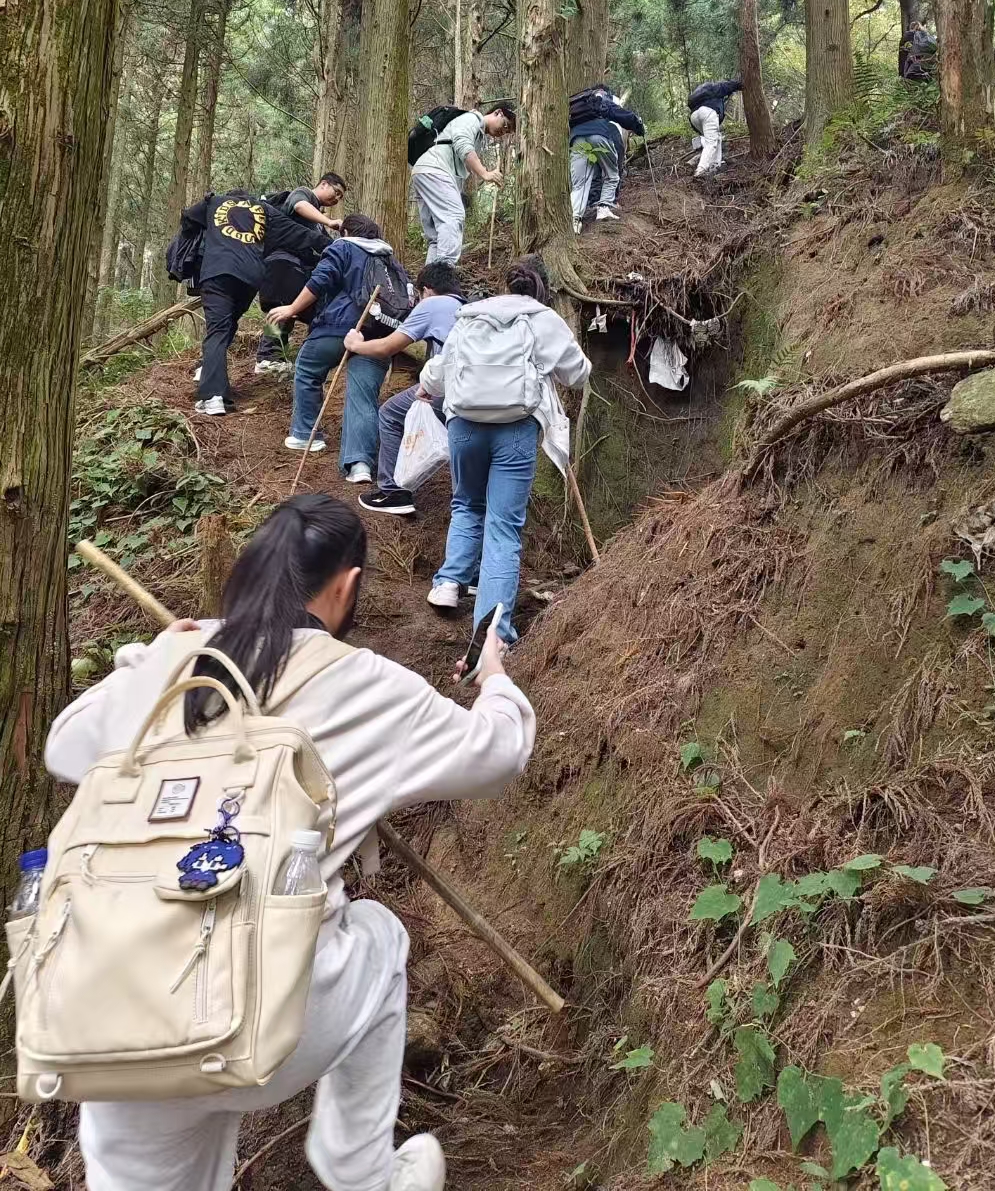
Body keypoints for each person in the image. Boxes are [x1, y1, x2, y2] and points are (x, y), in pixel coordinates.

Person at [45, 492, 535, 1191]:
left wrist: (150, 658)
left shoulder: (176, 661)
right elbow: (499, 755)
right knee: (378, 934)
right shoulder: (364, 684)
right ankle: (362, 1172)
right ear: (348, 584)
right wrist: (494, 681)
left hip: (115, 1016)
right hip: (269, 1020)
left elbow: (65, 748)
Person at [420, 255, 591, 646]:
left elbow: (437, 373)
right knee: (503, 525)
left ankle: (449, 582)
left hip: (463, 425)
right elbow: (578, 374)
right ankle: (494, 629)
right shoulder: (541, 318)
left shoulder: (470, 316)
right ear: (542, 287)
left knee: (466, 503)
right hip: (514, 428)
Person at [268, 214, 405, 484]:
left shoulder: (344, 246)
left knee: (308, 368)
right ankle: (360, 465)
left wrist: (292, 309)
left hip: (340, 327)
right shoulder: (391, 260)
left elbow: (321, 280)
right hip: (379, 334)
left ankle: (306, 435)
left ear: (346, 232)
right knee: (363, 395)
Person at [188, 190, 331, 416]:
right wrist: (335, 245)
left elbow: (188, 218)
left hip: (218, 272)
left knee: (219, 329)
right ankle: (214, 372)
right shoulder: (264, 210)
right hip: (250, 278)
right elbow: (298, 233)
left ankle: (213, 394)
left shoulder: (213, 202)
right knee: (228, 324)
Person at [350, 262, 466, 517]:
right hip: (477, 390)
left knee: (391, 413)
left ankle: (393, 492)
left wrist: (356, 345)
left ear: (426, 290)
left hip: (449, 388)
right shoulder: (466, 308)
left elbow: (387, 347)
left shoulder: (433, 304)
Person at [253, 175, 347, 375]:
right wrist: (330, 222)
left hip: (297, 267)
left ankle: (276, 357)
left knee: (293, 309)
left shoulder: (316, 221)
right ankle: (268, 356)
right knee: (284, 307)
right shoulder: (303, 194)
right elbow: (299, 206)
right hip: (282, 263)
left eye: (340, 197)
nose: (337, 198)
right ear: (323, 184)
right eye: (336, 191)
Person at [410, 103, 515, 265]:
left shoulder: (477, 132)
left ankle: (429, 283)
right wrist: (485, 173)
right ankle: (443, 277)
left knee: (437, 238)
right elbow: (462, 144)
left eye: (507, 132)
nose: (503, 132)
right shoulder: (472, 119)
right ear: (498, 113)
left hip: (424, 171)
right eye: (505, 125)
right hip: (435, 169)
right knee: (453, 218)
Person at [568, 89, 644, 229]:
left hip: (577, 139)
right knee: (611, 174)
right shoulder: (600, 98)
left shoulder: (576, 106)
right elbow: (619, 114)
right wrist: (638, 126)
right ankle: (603, 209)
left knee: (580, 183)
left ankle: (574, 221)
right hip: (599, 135)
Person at [686, 78, 743, 176]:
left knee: (717, 138)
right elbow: (727, 86)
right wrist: (740, 84)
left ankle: (715, 165)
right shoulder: (715, 88)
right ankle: (700, 170)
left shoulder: (699, 95)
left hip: (694, 116)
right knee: (711, 142)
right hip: (708, 113)